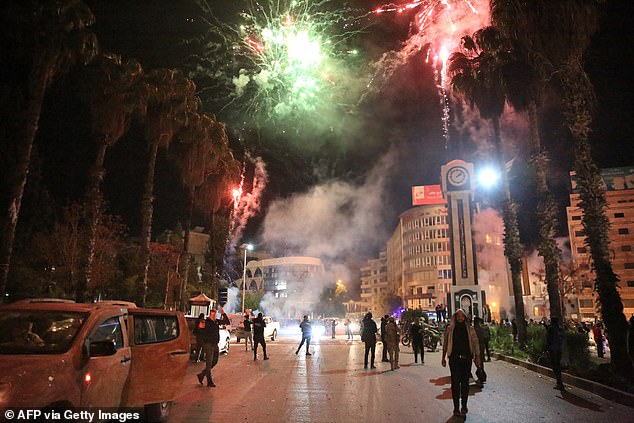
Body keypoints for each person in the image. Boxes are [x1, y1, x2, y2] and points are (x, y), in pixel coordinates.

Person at [441, 309, 481, 419]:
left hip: (466, 359)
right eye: (457, 316)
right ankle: (456, 408)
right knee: (455, 384)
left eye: (461, 316)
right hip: (454, 360)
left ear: (465, 317)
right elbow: (445, 343)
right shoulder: (450, 329)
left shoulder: (470, 329)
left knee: (465, 384)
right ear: (454, 317)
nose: (459, 318)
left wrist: (477, 357)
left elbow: (475, 343)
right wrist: (443, 357)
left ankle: (464, 406)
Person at [196, 306, 230, 387]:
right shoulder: (206, 322)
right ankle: (209, 381)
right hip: (208, 344)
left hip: (215, 344)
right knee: (209, 363)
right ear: (209, 315)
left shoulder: (216, 321)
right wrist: (199, 328)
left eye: (214, 315)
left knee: (215, 361)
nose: (213, 317)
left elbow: (227, 322)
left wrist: (223, 313)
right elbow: (198, 331)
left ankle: (201, 375)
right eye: (212, 315)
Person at [546, 317, 565, 390]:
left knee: (555, 367)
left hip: (553, 350)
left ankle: (559, 383)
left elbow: (549, 340)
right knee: (558, 366)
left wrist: (545, 349)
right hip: (559, 349)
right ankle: (560, 383)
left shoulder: (551, 329)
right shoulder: (560, 328)